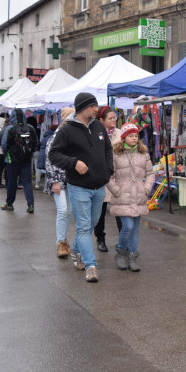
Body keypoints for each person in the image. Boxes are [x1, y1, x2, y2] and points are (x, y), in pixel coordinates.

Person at [48, 92, 114, 283]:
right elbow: (53, 154)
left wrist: (108, 170)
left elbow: (108, 149)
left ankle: (76, 250)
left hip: (99, 186)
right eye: (94, 106)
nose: (97, 109)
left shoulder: (98, 125)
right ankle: (90, 265)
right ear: (85, 108)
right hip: (79, 187)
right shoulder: (66, 130)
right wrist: (73, 163)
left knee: (91, 224)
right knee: (84, 227)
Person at [107, 122, 153, 272]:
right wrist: (116, 191)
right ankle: (120, 251)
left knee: (135, 229)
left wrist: (146, 189)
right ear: (124, 137)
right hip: (122, 197)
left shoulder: (143, 153)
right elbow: (109, 175)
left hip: (138, 197)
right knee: (128, 226)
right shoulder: (115, 154)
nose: (134, 138)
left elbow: (150, 173)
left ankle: (132, 256)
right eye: (131, 136)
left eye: (136, 135)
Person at [44, 111, 73, 259]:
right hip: (58, 179)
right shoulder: (57, 135)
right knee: (62, 210)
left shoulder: (73, 134)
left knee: (67, 212)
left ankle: (64, 240)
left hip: (71, 179)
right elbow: (49, 159)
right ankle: (60, 242)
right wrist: (54, 180)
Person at [93, 106, 119, 252]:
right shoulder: (96, 133)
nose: (114, 120)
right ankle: (100, 239)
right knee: (100, 211)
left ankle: (123, 240)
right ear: (102, 120)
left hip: (117, 177)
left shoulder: (121, 134)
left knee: (119, 210)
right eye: (110, 118)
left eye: (115, 117)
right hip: (101, 177)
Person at [1, 109, 37, 213]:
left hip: (12, 160)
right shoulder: (30, 128)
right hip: (26, 160)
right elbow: (35, 143)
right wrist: (29, 153)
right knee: (27, 183)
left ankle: (9, 204)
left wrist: (7, 155)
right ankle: (31, 205)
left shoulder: (10, 128)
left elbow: (4, 144)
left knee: (12, 183)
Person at [37, 121, 57, 194]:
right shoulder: (52, 137)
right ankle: (46, 189)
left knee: (46, 174)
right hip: (47, 158)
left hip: (43, 157)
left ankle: (44, 187)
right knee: (49, 174)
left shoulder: (44, 137)